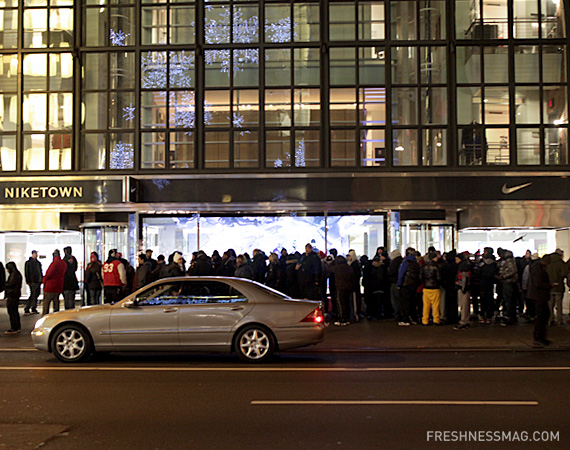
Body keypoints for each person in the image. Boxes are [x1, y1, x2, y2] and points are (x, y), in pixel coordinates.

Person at [528, 254, 552, 347]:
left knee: (543, 316)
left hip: (538, 295)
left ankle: (540, 338)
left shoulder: (537, 267)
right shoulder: (539, 269)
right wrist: (550, 285)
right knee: (542, 316)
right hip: (539, 296)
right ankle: (539, 338)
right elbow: (538, 283)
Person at [397, 247, 421, 326]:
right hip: (414, 286)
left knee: (404, 304)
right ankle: (414, 319)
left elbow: (401, 274)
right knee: (412, 303)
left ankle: (405, 320)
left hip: (405, 285)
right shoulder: (417, 263)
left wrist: (399, 284)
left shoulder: (405, 262)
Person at [328, 255, 355, 326]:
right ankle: (347, 319)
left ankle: (342, 319)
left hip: (340, 288)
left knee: (340, 303)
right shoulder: (349, 268)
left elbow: (329, 269)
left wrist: (332, 262)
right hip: (348, 288)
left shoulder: (337, 268)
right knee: (347, 303)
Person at [546, 248, 568, 327]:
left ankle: (550, 319)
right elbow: (564, 274)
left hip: (549, 286)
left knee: (550, 304)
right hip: (558, 287)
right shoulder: (561, 263)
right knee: (559, 305)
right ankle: (559, 320)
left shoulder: (548, 261)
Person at [42, 249, 68, 315]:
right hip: (59, 286)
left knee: (46, 303)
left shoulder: (54, 263)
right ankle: (56, 316)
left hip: (50, 286)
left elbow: (49, 274)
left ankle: (45, 317)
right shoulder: (63, 263)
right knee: (56, 302)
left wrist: (44, 280)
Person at [421, 251, 442, 326]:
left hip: (426, 287)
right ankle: (436, 320)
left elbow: (421, 277)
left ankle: (425, 320)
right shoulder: (437, 266)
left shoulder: (424, 266)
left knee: (426, 305)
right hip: (435, 288)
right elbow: (439, 277)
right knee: (435, 305)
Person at [454, 253, 472, 330]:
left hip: (463, 288)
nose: (456, 261)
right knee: (464, 305)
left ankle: (464, 321)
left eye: (457, 259)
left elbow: (464, 278)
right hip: (464, 288)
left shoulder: (463, 267)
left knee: (463, 305)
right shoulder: (465, 265)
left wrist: (463, 288)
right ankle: (465, 320)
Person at [4, 262, 22, 334]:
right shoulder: (17, 274)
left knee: (12, 311)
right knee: (14, 311)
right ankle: (17, 327)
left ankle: (14, 327)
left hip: (12, 295)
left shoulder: (14, 275)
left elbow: (10, 284)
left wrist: (4, 284)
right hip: (15, 295)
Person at [24, 250, 42, 315]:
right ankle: (28, 308)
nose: (36, 255)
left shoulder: (38, 263)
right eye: (35, 254)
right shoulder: (29, 263)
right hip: (33, 281)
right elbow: (27, 272)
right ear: (33, 254)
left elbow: (40, 271)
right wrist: (28, 281)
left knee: (36, 294)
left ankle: (33, 307)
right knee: (33, 294)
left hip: (38, 281)